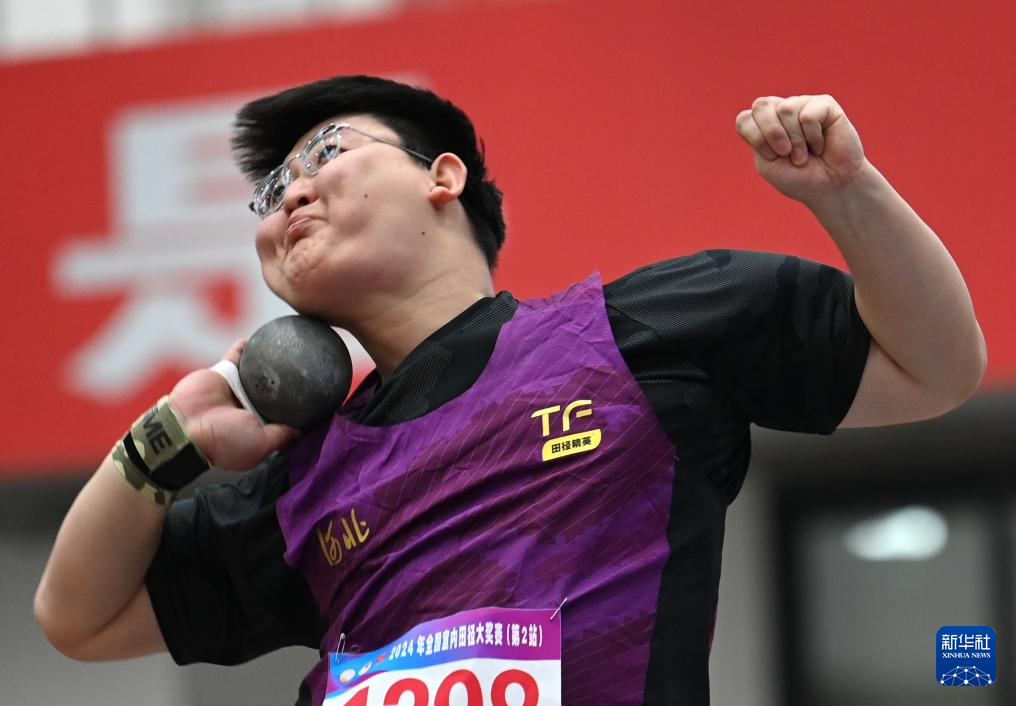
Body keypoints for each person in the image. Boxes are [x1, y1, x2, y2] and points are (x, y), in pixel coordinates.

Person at [35, 75, 986, 705]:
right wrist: (166, 438)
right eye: (269, 191)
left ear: (443, 177)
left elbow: (934, 367)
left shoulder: (643, 335)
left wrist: (846, 194)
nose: (289, 195)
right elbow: (78, 617)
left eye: (327, 156)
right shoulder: (303, 479)